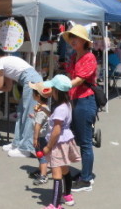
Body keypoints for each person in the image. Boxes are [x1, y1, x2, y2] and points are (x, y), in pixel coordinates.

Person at [33, 74, 81, 209]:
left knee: (56, 173)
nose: (51, 91)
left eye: (52, 88)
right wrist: (44, 110)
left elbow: (56, 129)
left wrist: (48, 146)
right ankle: (67, 195)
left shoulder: (60, 108)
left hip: (57, 143)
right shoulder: (66, 105)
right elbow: (55, 119)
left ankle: (55, 205)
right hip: (65, 140)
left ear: (56, 91)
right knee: (65, 169)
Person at [0, 50, 42, 158]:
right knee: (20, 113)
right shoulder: (4, 61)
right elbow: (7, 87)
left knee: (28, 114)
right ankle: (17, 143)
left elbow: (0, 85)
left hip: (31, 81)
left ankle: (26, 149)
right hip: (30, 80)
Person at [64, 24, 98, 192]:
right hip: (75, 100)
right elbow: (70, 75)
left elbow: (78, 79)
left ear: (84, 41)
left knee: (85, 142)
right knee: (78, 138)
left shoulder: (89, 57)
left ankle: (86, 179)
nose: (72, 40)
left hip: (85, 101)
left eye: (75, 38)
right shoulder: (73, 56)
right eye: (71, 37)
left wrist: (61, 85)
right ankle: (85, 173)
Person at [28, 83, 52, 185]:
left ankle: (43, 175)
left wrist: (35, 138)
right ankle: (41, 170)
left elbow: (38, 125)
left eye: (33, 93)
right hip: (44, 137)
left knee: (41, 156)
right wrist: (34, 115)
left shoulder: (41, 111)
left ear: (37, 96)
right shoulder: (44, 108)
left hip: (41, 137)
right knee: (41, 156)